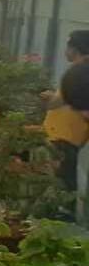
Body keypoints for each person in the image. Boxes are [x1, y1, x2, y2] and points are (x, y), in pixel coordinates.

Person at [44, 31, 89, 189]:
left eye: (67, 47)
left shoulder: (80, 73)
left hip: (64, 140)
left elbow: (55, 103)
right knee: (62, 185)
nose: (65, 51)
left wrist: (47, 99)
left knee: (62, 188)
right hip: (65, 138)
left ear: (74, 49)